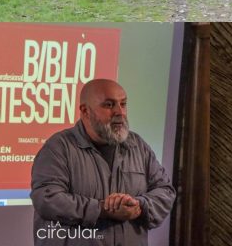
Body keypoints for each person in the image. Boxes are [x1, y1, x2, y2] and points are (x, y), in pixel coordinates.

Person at [31, 78, 175, 246]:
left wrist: (140, 205)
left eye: (123, 104)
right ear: (85, 111)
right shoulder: (59, 147)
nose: (119, 112)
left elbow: (165, 191)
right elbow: (47, 199)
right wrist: (102, 209)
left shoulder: (138, 146)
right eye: (109, 105)